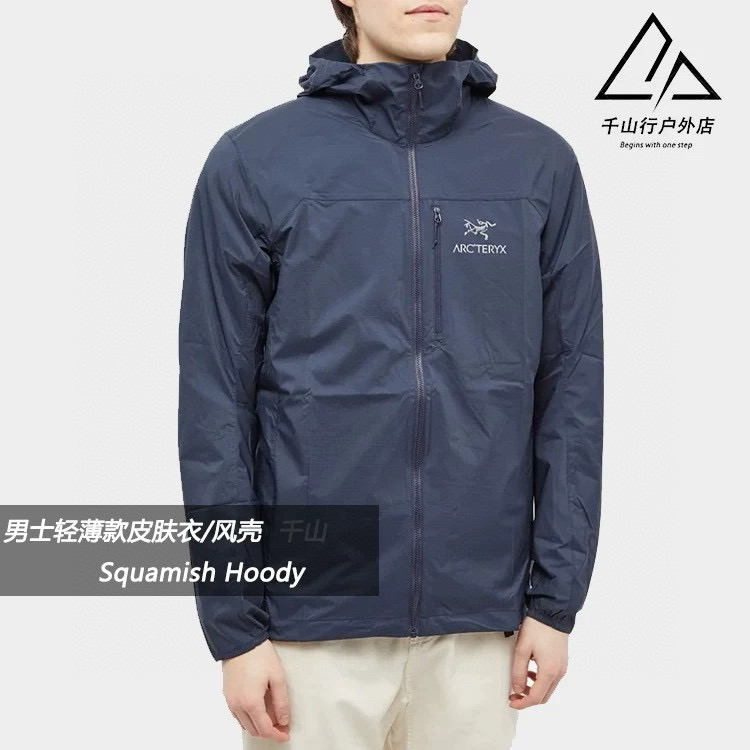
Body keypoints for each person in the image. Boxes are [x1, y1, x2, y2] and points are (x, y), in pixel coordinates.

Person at [178, 0, 604, 747]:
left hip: (482, 628)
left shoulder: (537, 163)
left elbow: (571, 391)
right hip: (309, 625)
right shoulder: (257, 161)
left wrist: (554, 603)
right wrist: (235, 628)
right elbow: (215, 404)